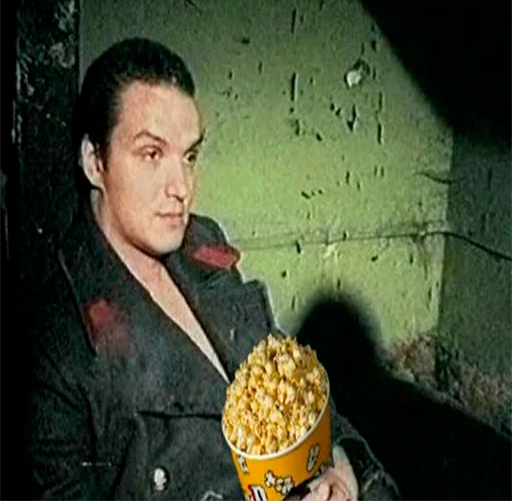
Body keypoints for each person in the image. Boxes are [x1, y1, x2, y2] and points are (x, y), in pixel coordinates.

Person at [24, 38, 400, 500]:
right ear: (94, 162)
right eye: (151, 154)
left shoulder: (202, 243)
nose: (181, 187)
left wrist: (336, 461)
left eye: (189, 156)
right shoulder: (57, 342)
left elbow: (286, 389)